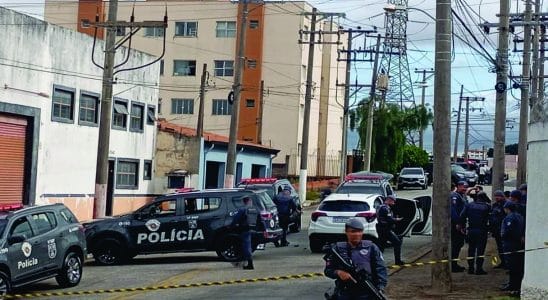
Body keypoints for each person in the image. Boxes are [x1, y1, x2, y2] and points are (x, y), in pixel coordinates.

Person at [324, 218, 388, 300]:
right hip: (344, 292)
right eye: (353, 231)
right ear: (346, 231)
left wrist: (380, 287)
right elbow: (328, 270)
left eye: (359, 231)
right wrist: (339, 273)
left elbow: (381, 269)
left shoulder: (371, 247)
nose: (357, 234)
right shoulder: (337, 249)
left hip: (366, 292)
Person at [460, 191, 491, 275]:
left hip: (471, 230)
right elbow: (491, 219)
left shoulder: (469, 205)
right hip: (482, 230)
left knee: (471, 249)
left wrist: (462, 226)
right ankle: (479, 268)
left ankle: (470, 268)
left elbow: (462, 216)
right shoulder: (487, 207)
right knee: (480, 251)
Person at [500, 201, 525, 295]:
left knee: (512, 266)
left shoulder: (510, 217)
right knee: (517, 265)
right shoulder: (520, 216)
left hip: (510, 244)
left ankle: (514, 286)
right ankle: (514, 284)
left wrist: (503, 236)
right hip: (518, 243)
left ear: (507, 208)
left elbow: (508, 231)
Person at [376, 195, 405, 265]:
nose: (394, 203)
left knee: (381, 246)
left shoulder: (380, 207)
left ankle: (376, 262)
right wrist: (397, 219)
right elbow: (389, 219)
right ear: (389, 200)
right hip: (385, 229)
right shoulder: (385, 208)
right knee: (397, 243)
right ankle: (398, 261)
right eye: (393, 201)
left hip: (381, 229)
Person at [230, 197, 254, 270]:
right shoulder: (253, 209)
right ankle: (247, 263)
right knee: (247, 246)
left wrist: (231, 226)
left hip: (243, 229)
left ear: (244, 202)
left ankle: (249, 264)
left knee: (245, 247)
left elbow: (236, 219)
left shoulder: (242, 209)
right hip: (251, 229)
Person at [450, 181, 469, 272]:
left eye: (466, 187)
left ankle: (454, 263)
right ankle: (452, 265)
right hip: (456, 224)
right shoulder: (455, 196)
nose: (464, 189)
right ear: (458, 186)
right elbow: (453, 211)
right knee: (456, 244)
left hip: (462, 223)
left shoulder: (463, 196)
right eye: (463, 187)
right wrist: (458, 223)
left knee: (459, 244)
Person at [490, 190, 508, 269]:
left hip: (503, 230)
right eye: (496, 196)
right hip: (496, 229)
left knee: (505, 247)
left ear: (502, 196)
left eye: (498, 196)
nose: (497, 198)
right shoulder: (494, 205)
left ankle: (507, 263)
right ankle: (503, 262)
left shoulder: (506, 205)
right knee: (499, 247)